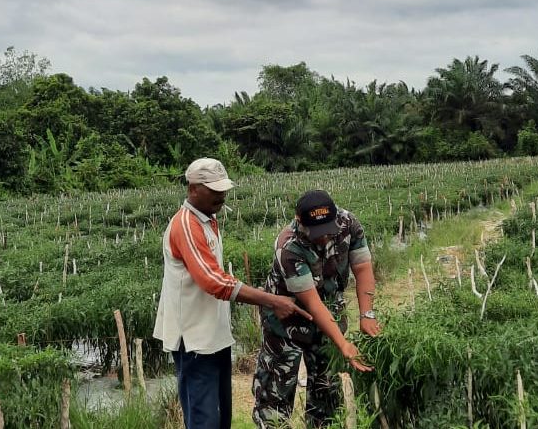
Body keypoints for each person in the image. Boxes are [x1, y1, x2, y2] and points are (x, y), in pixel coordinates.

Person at [153, 157, 311, 429]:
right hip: (194, 341)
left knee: (221, 417)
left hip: (214, 336)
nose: (221, 195)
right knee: (204, 420)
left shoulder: (207, 220)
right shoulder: (186, 225)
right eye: (214, 190)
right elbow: (214, 281)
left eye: (223, 189)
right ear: (193, 189)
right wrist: (271, 300)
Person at [252, 189, 381, 428]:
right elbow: (312, 303)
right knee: (276, 393)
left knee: (327, 390)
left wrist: (367, 314)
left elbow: (363, 267)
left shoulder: (348, 223)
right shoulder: (288, 245)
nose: (324, 237)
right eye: (317, 232)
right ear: (300, 222)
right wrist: (343, 344)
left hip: (330, 314)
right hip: (286, 321)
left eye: (328, 230)